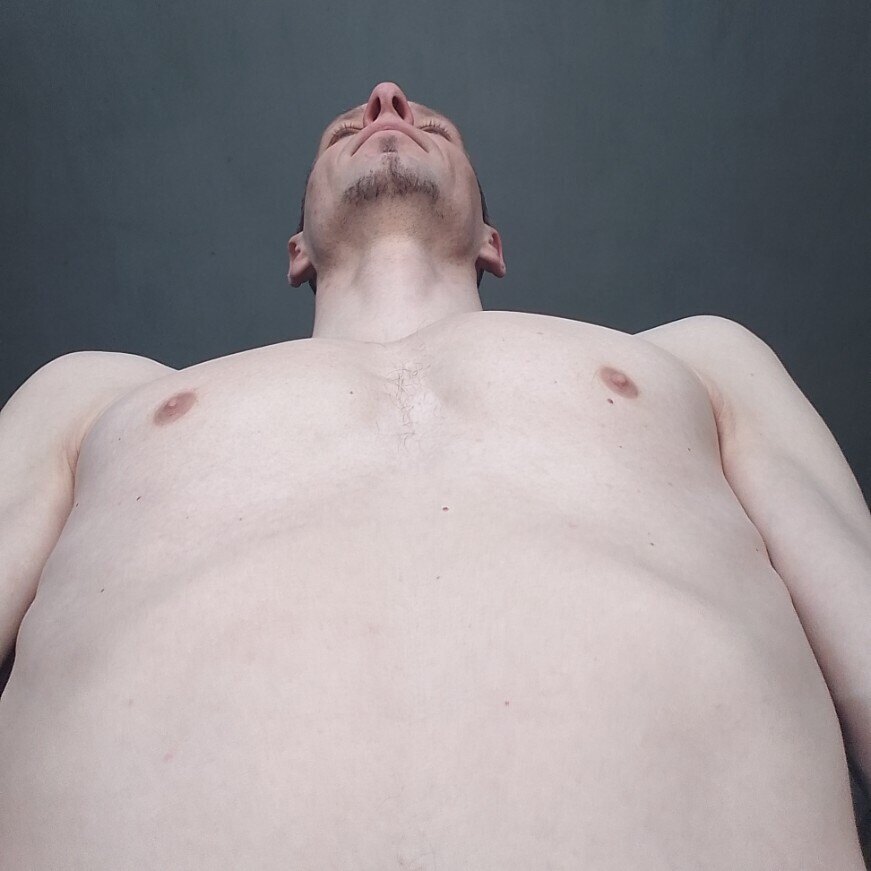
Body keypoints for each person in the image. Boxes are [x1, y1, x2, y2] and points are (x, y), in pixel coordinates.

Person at [0, 81, 868, 869]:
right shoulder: (93, 395)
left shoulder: (703, 361)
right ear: (296, 251)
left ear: (492, 242)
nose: (386, 99)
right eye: (346, 125)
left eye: (434, 126)